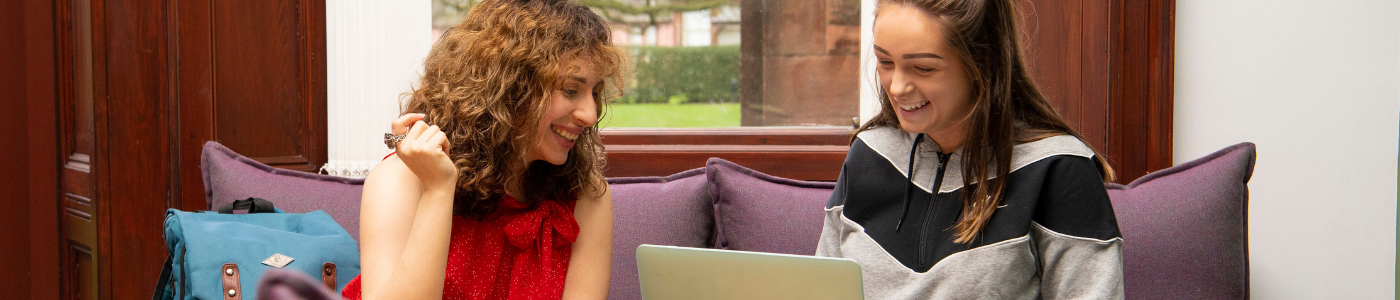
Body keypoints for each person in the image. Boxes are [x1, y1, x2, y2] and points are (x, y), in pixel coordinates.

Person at [815, 0, 1124, 299]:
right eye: (885, 62)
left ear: (982, 64)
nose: (896, 87)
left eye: (922, 68)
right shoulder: (869, 152)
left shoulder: (1058, 169)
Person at [342, 0, 623, 299]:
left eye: (594, 93)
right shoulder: (401, 180)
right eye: (570, 90)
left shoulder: (586, 196)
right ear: (510, 87)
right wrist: (438, 190)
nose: (590, 115)